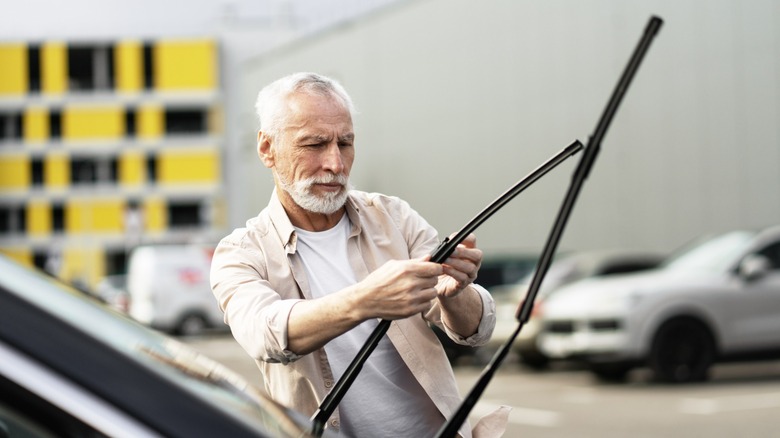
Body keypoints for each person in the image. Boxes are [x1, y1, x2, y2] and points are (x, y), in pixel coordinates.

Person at [210, 72, 507, 438]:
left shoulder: (393, 217)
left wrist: (456, 293)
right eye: (314, 144)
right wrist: (366, 300)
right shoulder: (239, 253)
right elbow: (266, 335)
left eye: (345, 143)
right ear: (267, 148)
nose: (335, 164)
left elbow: (476, 332)